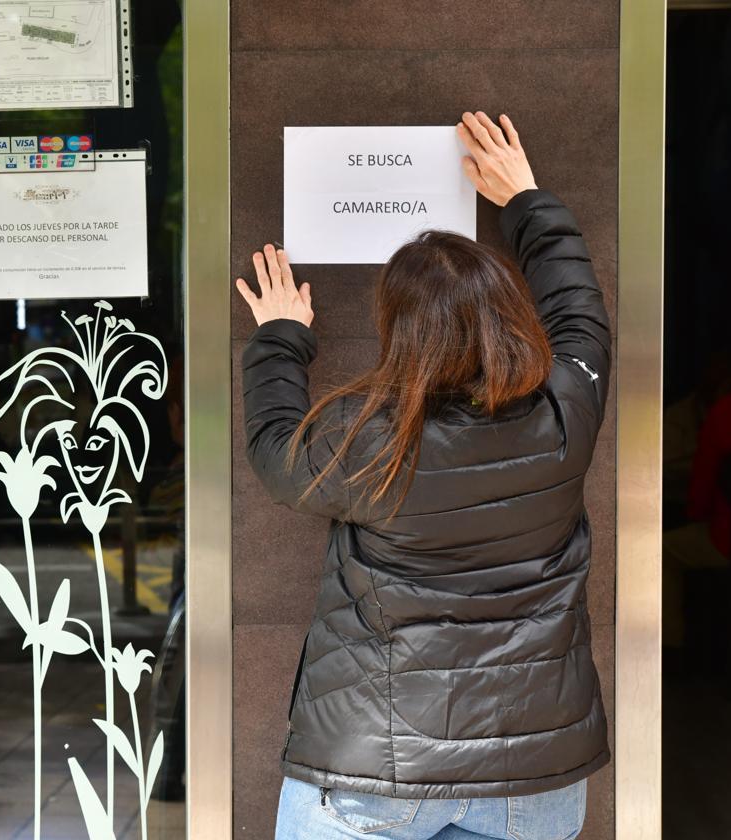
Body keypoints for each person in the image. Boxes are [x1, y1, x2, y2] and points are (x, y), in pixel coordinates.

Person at [236, 112, 610, 840]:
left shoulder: (370, 445)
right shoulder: (568, 410)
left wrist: (281, 337)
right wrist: (526, 198)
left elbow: (275, 449)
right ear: (507, 314)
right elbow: (580, 313)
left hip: (375, 772)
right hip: (531, 785)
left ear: (398, 330)